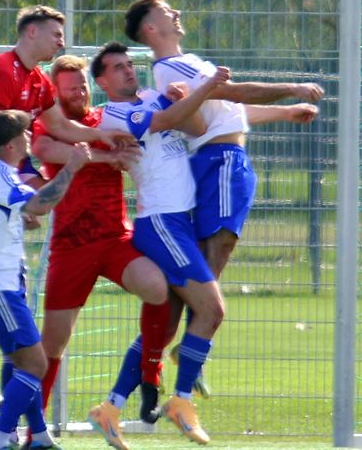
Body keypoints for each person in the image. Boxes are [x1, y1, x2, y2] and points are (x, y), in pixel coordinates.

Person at [125, 0, 323, 396]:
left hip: (218, 159)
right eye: (165, 11)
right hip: (222, 162)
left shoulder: (184, 64)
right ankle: (195, 347)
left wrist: (285, 113)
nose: (176, 13)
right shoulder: (173, 66)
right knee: (216, 253)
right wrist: (293, 87)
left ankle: (139, 382)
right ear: (150, 28)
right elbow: (235, 93)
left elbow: (228, 111)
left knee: (193, 274)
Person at [0, 5, 133, 408]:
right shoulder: (0, 70)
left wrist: (100, 135)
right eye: (55, 33)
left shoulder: (38, 80)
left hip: (0, 176)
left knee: (6, 268)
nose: (62, 41)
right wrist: (15, 190)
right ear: (31, 32)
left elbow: (59, 126)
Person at [90, 41, 230, 446]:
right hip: (161, 223)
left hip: (180, 223)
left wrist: (181, 99)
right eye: (117, 67)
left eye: (128, 64)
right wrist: (205, 89)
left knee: (165, 327)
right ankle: (181, 401)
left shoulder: (153, 97)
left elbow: (197, 127)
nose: (128, 70)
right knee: (212, 310)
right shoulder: (115, 114)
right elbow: (166, 120)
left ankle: (109, 409)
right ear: (102, 81)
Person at [30, 56, 170, 431]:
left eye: (83, 86)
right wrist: (109, 155)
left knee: (159, 288)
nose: (80, 93)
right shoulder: (50, 124)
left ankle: (150, 375)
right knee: (52, 344)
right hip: (71, 246)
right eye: (70, 88)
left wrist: (173, 98)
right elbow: (47, 151)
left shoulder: (107, 119)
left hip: (114, 239)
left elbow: (145, 129)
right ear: (55, 93)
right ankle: (34, 430)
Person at [0, 110, 90, 450]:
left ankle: (40, 437)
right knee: (35, 364)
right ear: (11, 144)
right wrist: (71, 167)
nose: (29, 136)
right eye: (24, 132)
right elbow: (40, 205)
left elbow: (21, 208)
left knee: (22, 361)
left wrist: (23, 215)